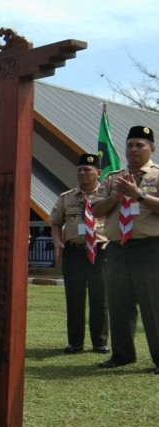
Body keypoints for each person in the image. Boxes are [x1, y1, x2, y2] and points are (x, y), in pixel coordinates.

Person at [91, 125, 159, 373]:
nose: (133, 149)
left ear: (151, 148)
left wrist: (137, 194)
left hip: (151, 248)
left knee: (154, 305)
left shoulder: (157, 175)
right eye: (130, 145)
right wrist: (117, 197)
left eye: (140, 145)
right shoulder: (112, 178)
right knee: (119, 303)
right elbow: (95, 211)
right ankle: (122, 355)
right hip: (119, 248)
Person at [50, 153, 109, 354]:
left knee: (99, 298)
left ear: (99, 173)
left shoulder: (108, 196)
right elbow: (56, 222)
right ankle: (75, 342)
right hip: (74, 252)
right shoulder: (67, 197)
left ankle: (100, 342)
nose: (82, 173)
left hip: (101, 252)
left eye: (87, 170)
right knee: (74, 298)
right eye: (80, 170)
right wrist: (57, 241)